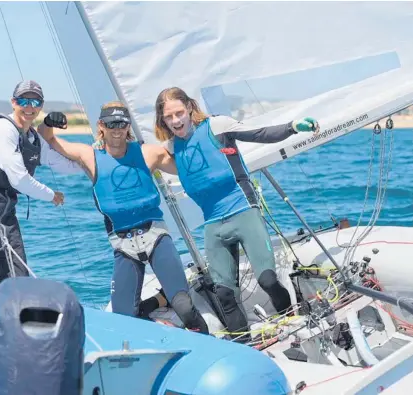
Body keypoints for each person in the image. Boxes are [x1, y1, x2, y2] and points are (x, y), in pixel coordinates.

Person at [152, 87, 320, 340]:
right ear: (162, 120)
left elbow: (261, 133)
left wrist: (293, 126)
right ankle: (246, 345)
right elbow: (136, 156)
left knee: (267, 280)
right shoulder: (171, 148)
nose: (176, 121)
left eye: (179, 113)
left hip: (243, 210)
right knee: (225, 294)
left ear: (189, 108)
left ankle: (292, 320)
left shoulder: (217, 127)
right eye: (169, 117)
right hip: (213, 225)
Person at [39, 101, 209, 334]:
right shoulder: (89, 156)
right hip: (122, 244)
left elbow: (187, 166)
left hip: (155, 236)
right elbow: (48, 139)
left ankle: (207, 340)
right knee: (122, 320)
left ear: (128, 126)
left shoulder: (148, 152)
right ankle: (160, 326)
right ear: (101, 125)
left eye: (121, 123)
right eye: (111, 124)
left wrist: (194, 131)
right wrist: (48, 123)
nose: (117, 129)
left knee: (184, 306)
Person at [0, 80, 82, 372]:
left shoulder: (34, 139)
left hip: (5, 212)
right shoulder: (2, 129)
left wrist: (93, 161)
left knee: (16, 279)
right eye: (24, 101)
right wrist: (52, 196)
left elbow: (62, 163)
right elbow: (18, 177)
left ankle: (11, 342)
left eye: (36, 102)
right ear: (13, 103)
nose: (29, 107)